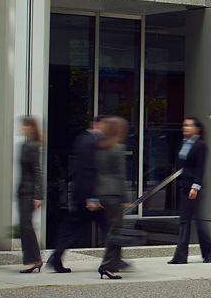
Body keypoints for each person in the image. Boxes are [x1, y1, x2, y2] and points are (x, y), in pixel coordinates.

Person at [47, 117, 104, 273]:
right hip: (87, 196)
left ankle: (56, 257)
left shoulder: (83, 139)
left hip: (82, 193)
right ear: (97, 125)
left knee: (71, 228)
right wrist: (92, 197)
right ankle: (115, 260)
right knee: (108, 227)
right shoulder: (89, 142)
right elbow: (89, 171)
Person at [168, 116, 211, 264]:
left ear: (196, 128)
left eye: (188, 126)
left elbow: (200, 168)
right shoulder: (184, 144)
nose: (185, 128)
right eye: (184, 125)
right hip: (184, 186)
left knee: (197, 222)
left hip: (194, 188)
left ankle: (207, 252)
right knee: (185, 221)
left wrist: (195, 186)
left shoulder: (200, 145)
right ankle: (183, 256)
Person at [95, 116, 132, 279]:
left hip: (102, 193)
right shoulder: (117, 148)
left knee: (112, 230)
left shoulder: (101, 147)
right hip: (115, 193)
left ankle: (112, 265)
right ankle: (108, 266)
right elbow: (120, 175)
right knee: (115, 232)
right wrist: (126, 196)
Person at [18, 116, 45, 273]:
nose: (23, 129)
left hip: (29, 192)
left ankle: (34, 259)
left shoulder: (32, 146)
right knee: (25, 225)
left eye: (25, 126)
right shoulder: (26, 145)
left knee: (26, 225)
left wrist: (38, 194)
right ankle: (33, 259)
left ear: (32, 128)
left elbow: (37, 171)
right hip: (23, 191)